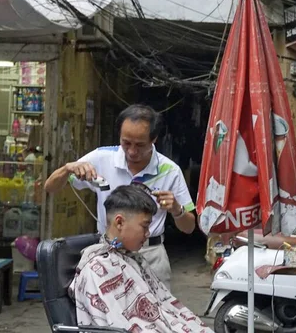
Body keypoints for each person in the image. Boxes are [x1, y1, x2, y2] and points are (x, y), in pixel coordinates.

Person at [45, 104, 196, 289]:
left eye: (140, 145)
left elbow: (189, 227)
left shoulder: (170, 170)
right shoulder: (101, 157)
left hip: (151, 254)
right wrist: (67, 168)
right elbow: (50, 187)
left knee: (155, 314)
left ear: (154, 139)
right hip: (108, 253)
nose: (132, 151)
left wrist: (177, 209)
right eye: (126, 143)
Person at [68, 184, 212, 333]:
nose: (148, 233)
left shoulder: (133, 258)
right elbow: (116, 325)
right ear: (119, 222)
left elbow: (164, 308)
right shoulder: (97, 268)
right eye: (145, 226)